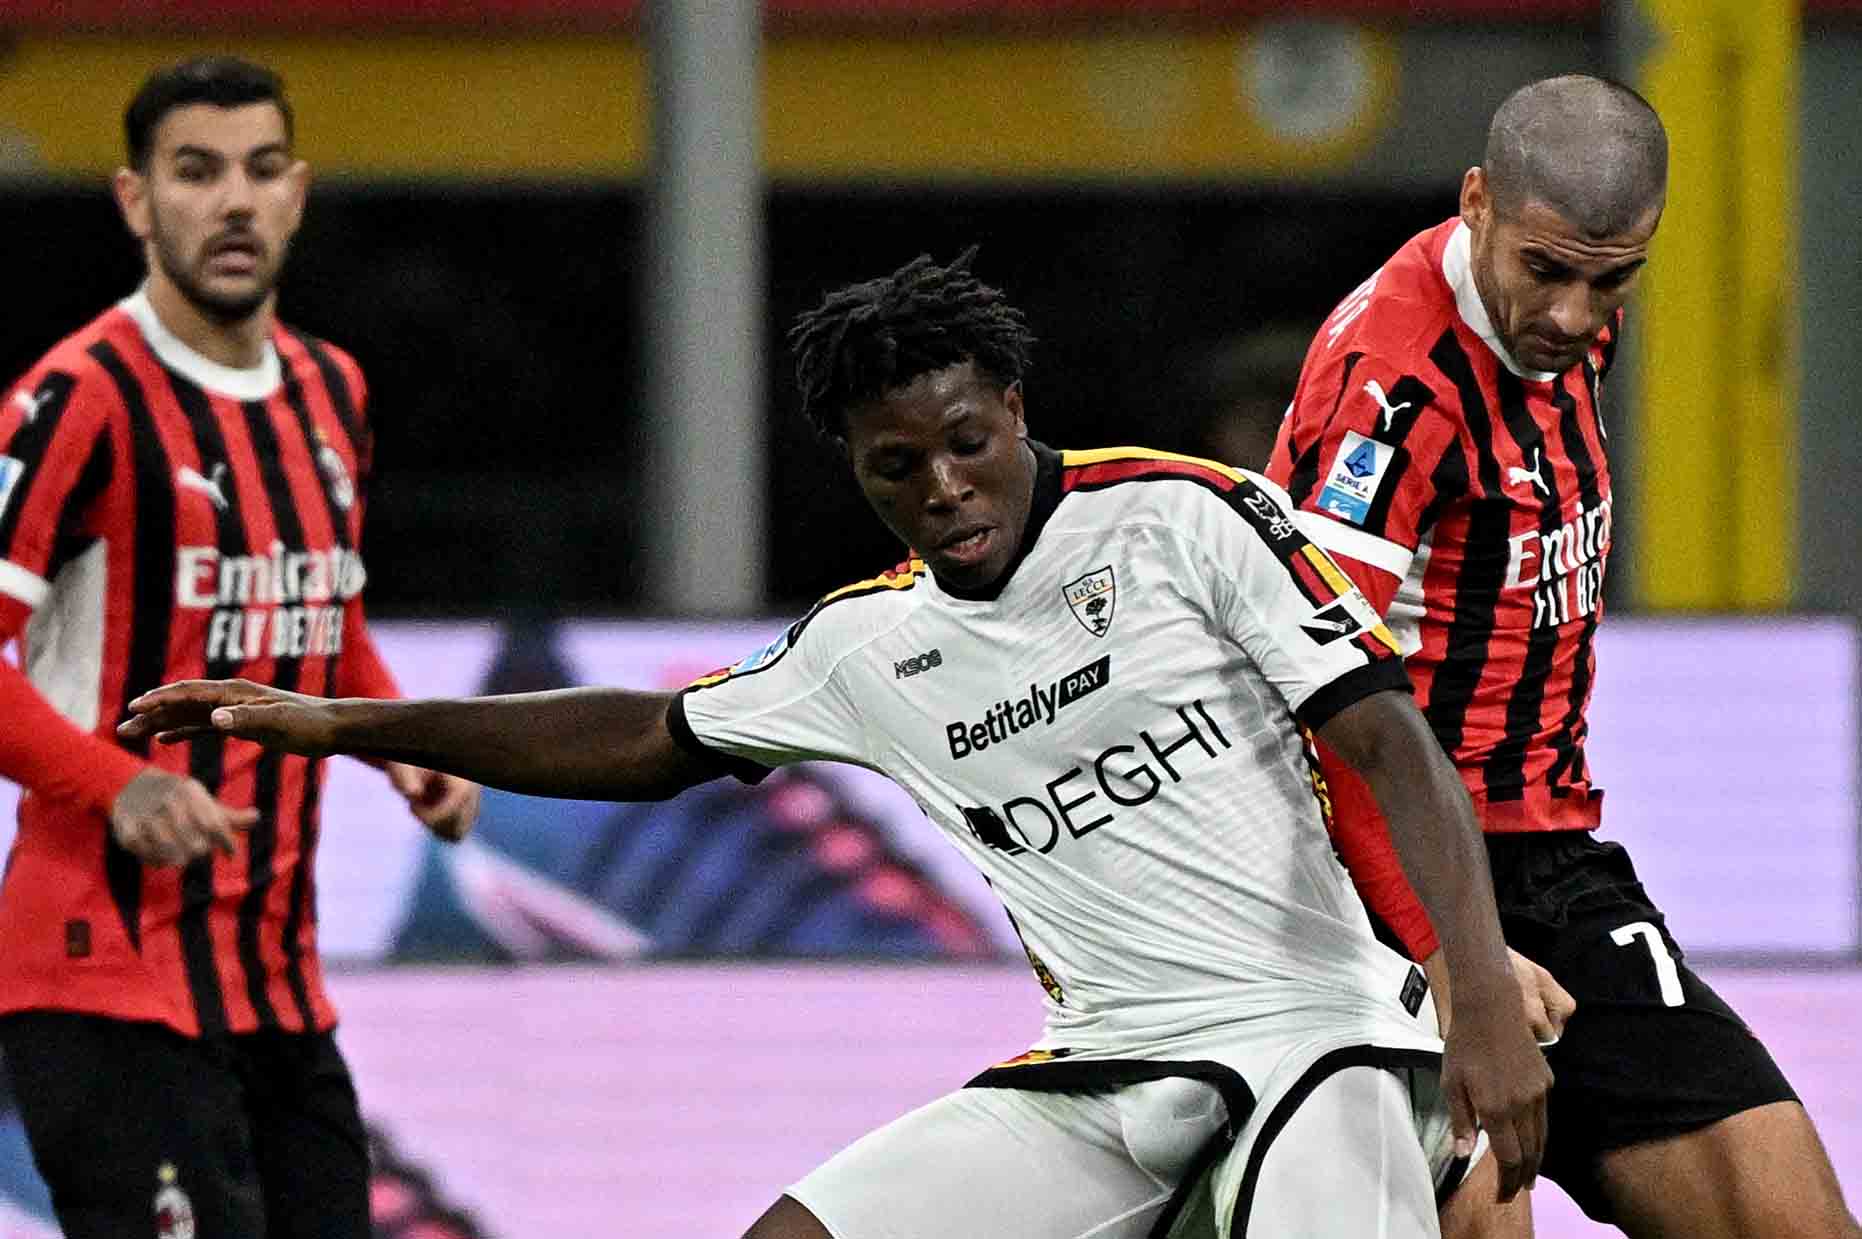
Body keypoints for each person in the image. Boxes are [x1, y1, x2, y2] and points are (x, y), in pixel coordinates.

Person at [127, 250, 1550, 1239]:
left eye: (965, 439)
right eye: (896, 465)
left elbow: (1384, 735)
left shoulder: (1182, 516)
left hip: (1327, 1039)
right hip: (1116, 1066)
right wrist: (336, 722)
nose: (943, 485)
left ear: (1011, 405)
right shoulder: (867, 645)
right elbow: (641, 735)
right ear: (858, 472)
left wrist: (1474, 980)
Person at [1266, 74, 1860, 1238]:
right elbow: (1314, 702)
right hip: (1376, 873)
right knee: (1485, 1217)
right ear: (1476, 201)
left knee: (1791, 1219)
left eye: (1613, 278)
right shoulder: (1390, 398)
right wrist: (1454, 963)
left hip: (1549, 857)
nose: (1578, 317)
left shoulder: (1565, 306)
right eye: (1549, 272)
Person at [0, 57, 478, 1239]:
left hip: (275, 988)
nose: (234, 202)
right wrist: (121, 788)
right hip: (103, 973)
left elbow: (321, 615)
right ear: (133, 200)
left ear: (299, 192)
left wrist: (398, 740)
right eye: (196, 172)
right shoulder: (75, 401)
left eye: (262, 172)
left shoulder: (331, 389)